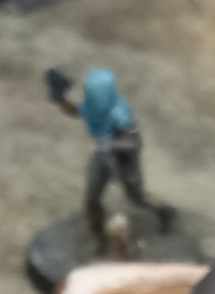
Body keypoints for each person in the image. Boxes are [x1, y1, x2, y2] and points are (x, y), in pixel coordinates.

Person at [45, 66, 175, 242]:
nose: (88, 95)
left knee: (137, 197)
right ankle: (99, 237)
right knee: (92, 198)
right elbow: (76, 111)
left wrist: (111, 144)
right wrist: (59, 99)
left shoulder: (120, 114)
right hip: (103, 155)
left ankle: (166, 211)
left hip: (124, 159)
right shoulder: (93, 106)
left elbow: (134, 143)